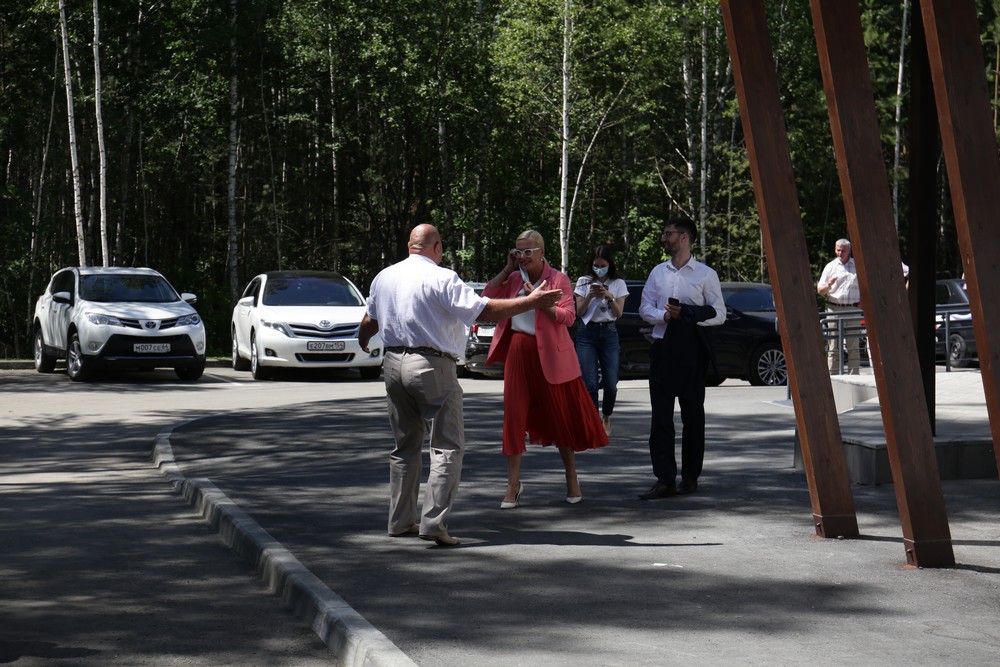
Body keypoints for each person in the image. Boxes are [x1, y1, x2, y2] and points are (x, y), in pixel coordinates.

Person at [359, 224, 562, 546]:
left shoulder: (385, 276)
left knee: (405, 448)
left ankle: (400, 521)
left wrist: (363, 340)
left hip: (394, 364)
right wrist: (532, 302)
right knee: (447, 446)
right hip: (432, 365)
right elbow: (484, 311)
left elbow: (370, 319)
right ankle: (434, 524)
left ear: (410, 246)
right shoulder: (441, 277)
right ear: (437, 247)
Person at [483, 229, 608, 509]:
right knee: (514, 418)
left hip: (552, 355)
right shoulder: (514, 278)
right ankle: (513, 485)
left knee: (560, 417)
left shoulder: (558, 279)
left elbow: (569, 317)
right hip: (519, 350)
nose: (523, 257)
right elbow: (487, 296)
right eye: (518, 251)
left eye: (528, 251)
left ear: (542, 252)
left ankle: (572, 478)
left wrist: (541, 304)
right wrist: (507, 268)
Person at [637, 217, 725, 499]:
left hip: (691, 351)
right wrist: (664, 316)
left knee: (692, 417)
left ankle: (690, 477)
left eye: (668, 233)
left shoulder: (705, 274)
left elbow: (719, 313)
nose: (664, 238)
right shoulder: (657, 272)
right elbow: (644, 308)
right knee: (661, 418)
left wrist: (687, 313)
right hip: (663, 348)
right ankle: (664, 479)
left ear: (684, 237)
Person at [574, 246, 629, 436]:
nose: (599, 269)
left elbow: (618, 313)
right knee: (590, 383)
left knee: (611, 383)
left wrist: (609, 296)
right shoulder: (583, 281)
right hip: (587, 333)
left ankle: (606, 414)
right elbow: (580, 312)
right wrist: (590, 294)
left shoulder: (618, 283)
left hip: (609, 333)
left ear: (610, 264)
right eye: (595, 265)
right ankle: (592, 419)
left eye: (602, 265)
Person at [817, 238, 861, 374]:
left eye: (843, 250)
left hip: (853, 309)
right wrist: (829, 284)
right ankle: (833, 377)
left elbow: (867, 287)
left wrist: (862, 303)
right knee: (833, 346)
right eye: (838, 250)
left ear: (849, 251)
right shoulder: (830, 267)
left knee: (853, 346)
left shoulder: (858, 266)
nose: (840, 253)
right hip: (834, 309)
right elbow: (820, 290)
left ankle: (854, 378)